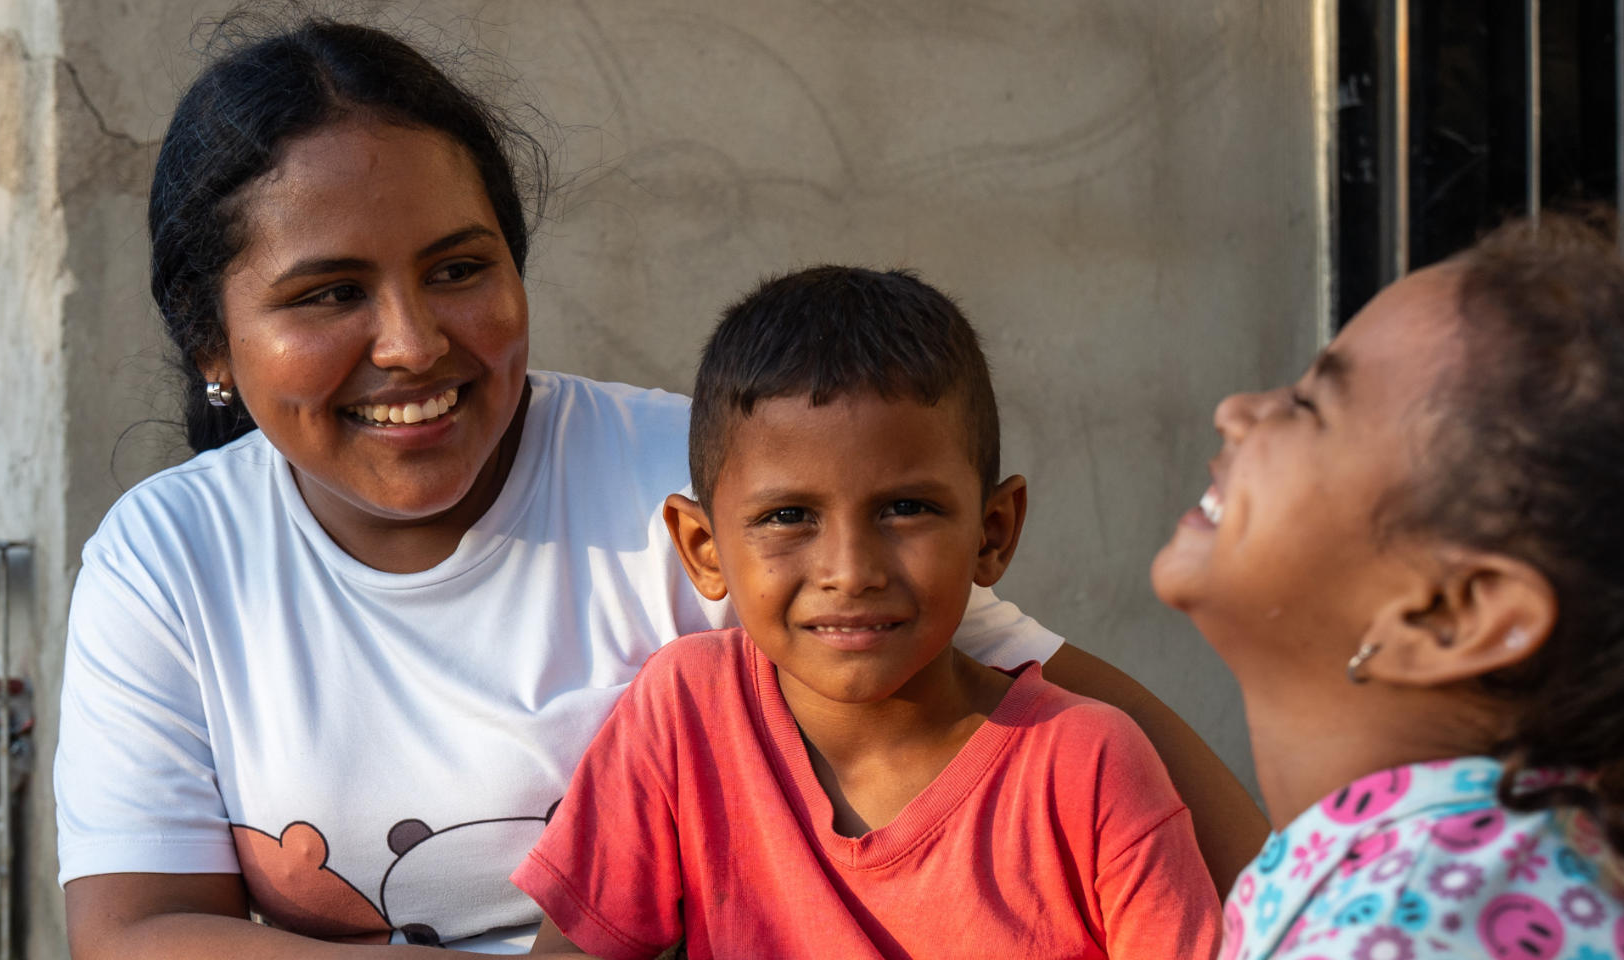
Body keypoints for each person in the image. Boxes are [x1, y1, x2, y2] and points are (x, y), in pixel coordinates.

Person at [55, 17, 1264, 957]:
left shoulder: (692, 485)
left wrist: (1330, 896)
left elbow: (1033, 698)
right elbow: (137, 931)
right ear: (212, 344)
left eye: (460, 267)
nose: (414, 341)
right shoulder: (168, 559)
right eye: (328, 294)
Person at [1150, 213, 1624, 960]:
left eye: (1310, 405)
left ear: (1456, 613)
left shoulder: (1405, 936)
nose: (1238, 411)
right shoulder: (1483, 867)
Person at [515, 268, 1222, 960]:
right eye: (788, 517)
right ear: (703, 549)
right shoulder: (687, 713)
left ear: (994, 531)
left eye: (906, 508)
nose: (850, 571)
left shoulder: (1087, 766)